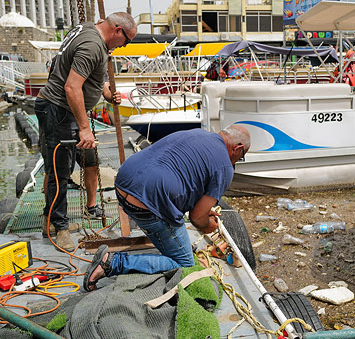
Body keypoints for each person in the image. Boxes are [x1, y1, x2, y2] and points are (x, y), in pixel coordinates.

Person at [83, 125, 250, 292]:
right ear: (238, 148)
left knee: (174, 238)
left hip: (122, 186)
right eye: (241, 157)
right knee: (184, 264)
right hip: (147, 206)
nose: (237, 161)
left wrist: (203, 213)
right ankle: (112, 263)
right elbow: (197, 218)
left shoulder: (197, 133)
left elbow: (187, 176)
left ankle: (173, 244)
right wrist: (208, 225)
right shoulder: (225, 168)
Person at [36, 12, 137, 251]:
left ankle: (51, 221)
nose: (123, 47)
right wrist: (84, 128)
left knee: (61, 168)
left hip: (61, 109)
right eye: (126, 41)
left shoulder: (88, 32)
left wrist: (107, 93)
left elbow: (92, 75)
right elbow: (72, 87)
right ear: (117, 31)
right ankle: (59, 228)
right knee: (60, 171)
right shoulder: (93, 45)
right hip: (59, 109)